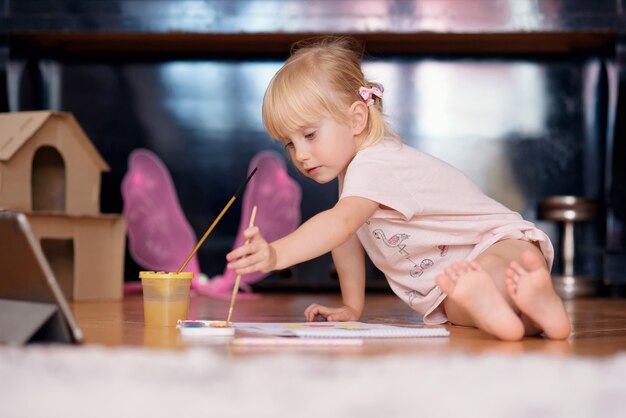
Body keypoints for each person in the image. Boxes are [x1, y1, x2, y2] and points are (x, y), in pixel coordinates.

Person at [226, 36, 571, 341]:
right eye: (288, 143)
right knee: (458, 304)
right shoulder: (355, 177)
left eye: (310, 135)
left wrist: (275, 255)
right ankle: (537, 313)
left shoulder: (375, 163)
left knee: (491, 276)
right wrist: (351, 306)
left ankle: (517, 300)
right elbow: (345, 240)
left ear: (356, 119)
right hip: (455, 282)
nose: (300, 155)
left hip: (499, 244)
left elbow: (339, 225)